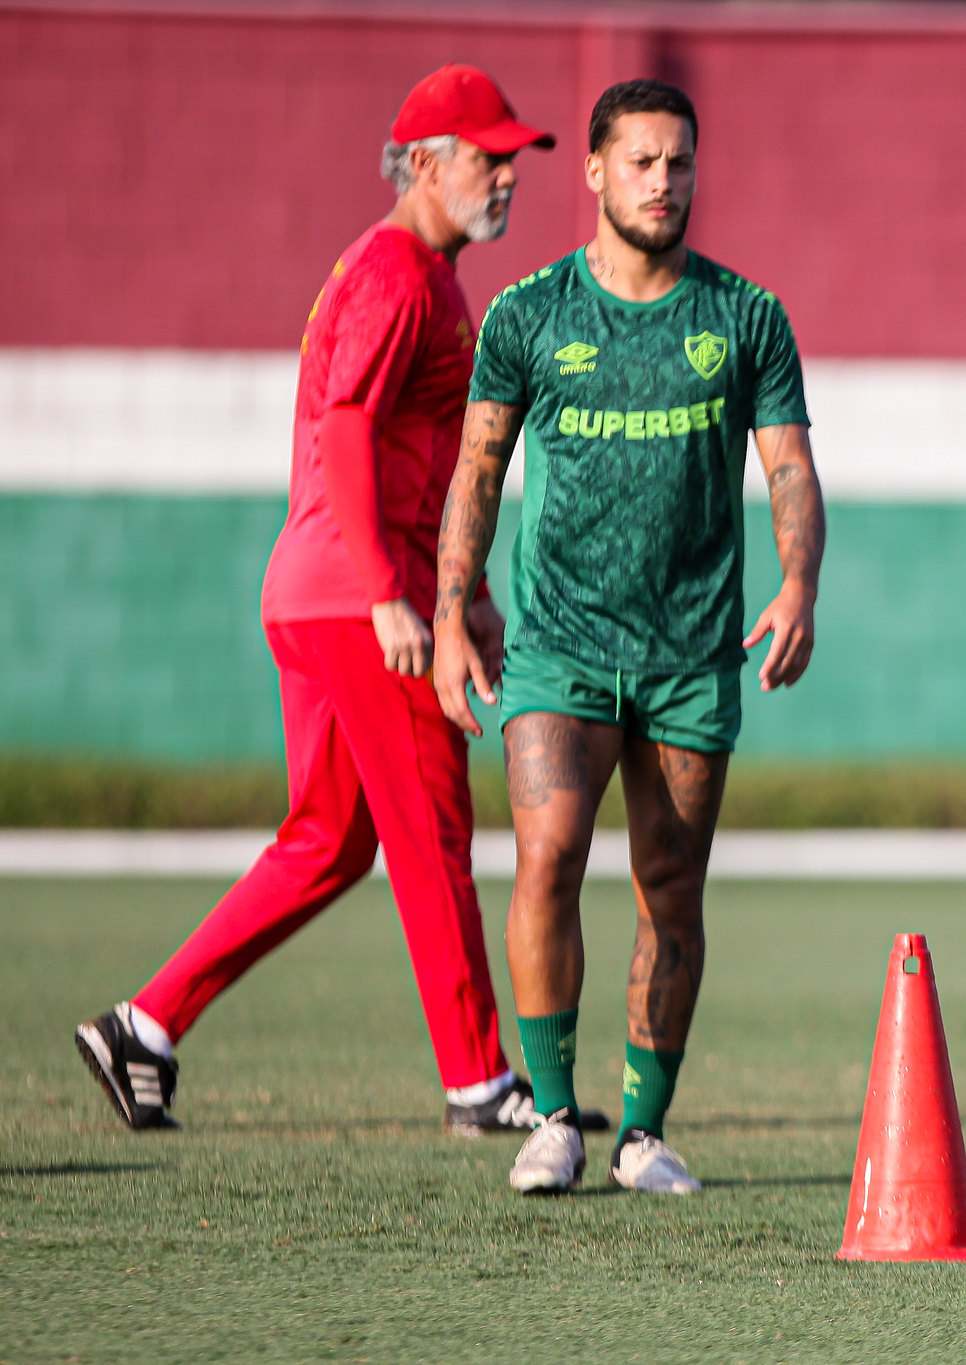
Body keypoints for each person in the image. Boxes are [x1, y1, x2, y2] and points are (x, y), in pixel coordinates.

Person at [72, 66, 602, 1137]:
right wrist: (388, 597)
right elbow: (348, 430)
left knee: (329, 842)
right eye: (484, 157)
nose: (505, 177)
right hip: (358, 603)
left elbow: (406, 455)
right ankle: (479, 1081)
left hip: (328, 592)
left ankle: (145, 1023)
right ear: (421, 165)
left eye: (512, 158)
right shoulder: (396, 274)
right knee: (432, 833)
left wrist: (470, 593)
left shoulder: (423, 276)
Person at [432, 79, 824, 1196]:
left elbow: (789, 467)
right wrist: (455, 607)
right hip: (557, 644)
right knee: (546, 859)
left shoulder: (746, 318)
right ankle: (553, 1116)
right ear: (596, 173)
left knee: (671, 884)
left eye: (679, 163)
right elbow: (477, 470)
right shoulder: (529, 315)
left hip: (691, 655)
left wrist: (799, 581)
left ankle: (643, 1133)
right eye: (641, 162)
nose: (662, 182)